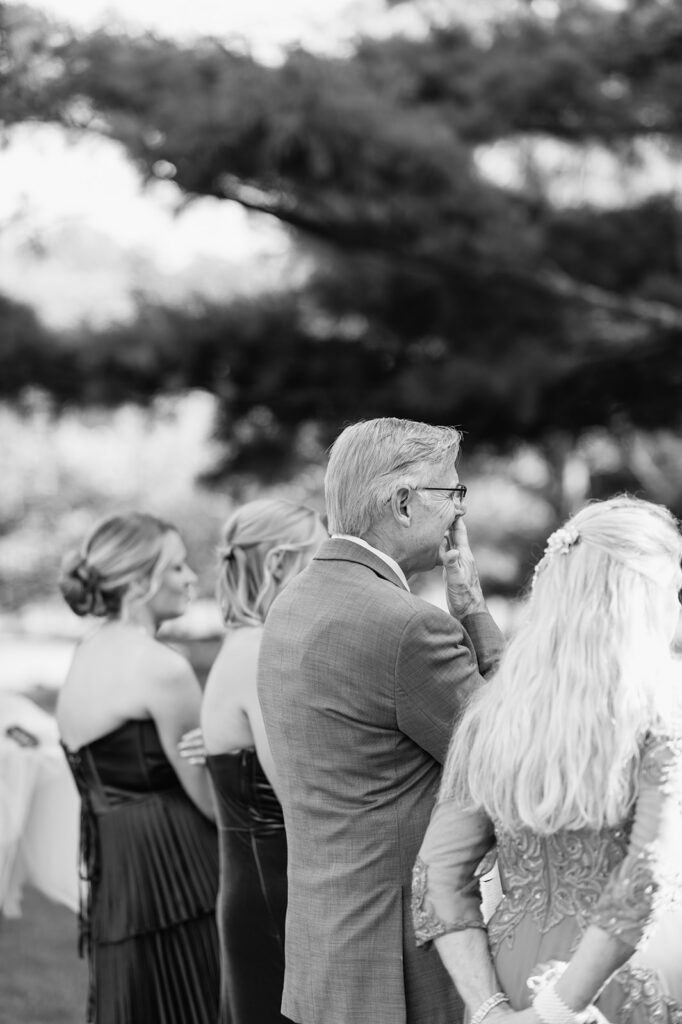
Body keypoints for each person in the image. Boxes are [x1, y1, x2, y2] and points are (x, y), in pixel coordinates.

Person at [257, 417, 504, 1024]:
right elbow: (512, 758)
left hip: (321, 948)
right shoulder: (408, 628)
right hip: (394, 962)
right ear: (402, 503)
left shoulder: (292, 602)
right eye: (453, 494)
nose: (458, 514)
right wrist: (474, 612)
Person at [413, 495, 682, 1024]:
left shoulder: (494, 714)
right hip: (608, 987)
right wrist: (557, 1010)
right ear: (640, 595)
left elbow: (437, 877)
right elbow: (646, 880)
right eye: (674, 589)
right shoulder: (656, 713)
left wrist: (492, 1012)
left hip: (509, 983)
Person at [57, 512, 220, 1024]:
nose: (191, 577)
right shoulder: (161, 667)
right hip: (180, 866)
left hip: (118, 864)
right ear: (136, 582)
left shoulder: (87, 651)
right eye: (176, 567)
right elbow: (212, 802)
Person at [197, 498, 327, 1024]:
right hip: (276, 889)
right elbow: (297, 787)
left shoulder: (241, 644)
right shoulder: (258, 651)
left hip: (255, 882)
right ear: (278, 565)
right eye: (316, 561)